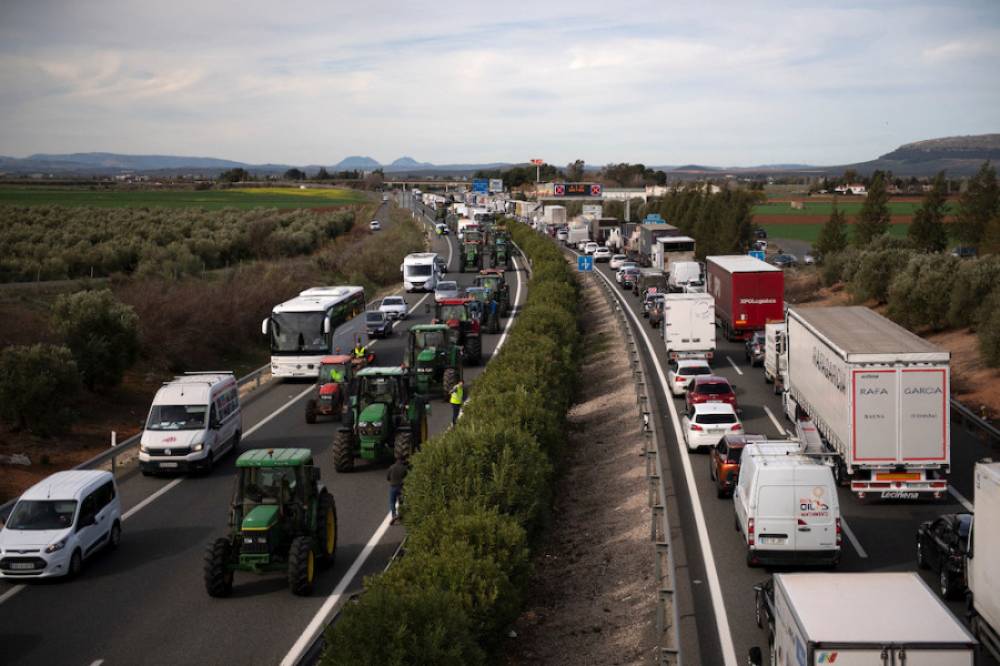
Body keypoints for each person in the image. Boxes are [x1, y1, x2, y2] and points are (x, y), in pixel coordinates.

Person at [387, 455, 408, 524]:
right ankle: (400, 515)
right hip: (401, 487)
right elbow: (407, 477)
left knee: (392, 502)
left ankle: (394, 515)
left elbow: (388, 478)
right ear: (402, 460)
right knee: (401, 501)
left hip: (393, 487)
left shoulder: (391, 467)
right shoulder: (404, 468)